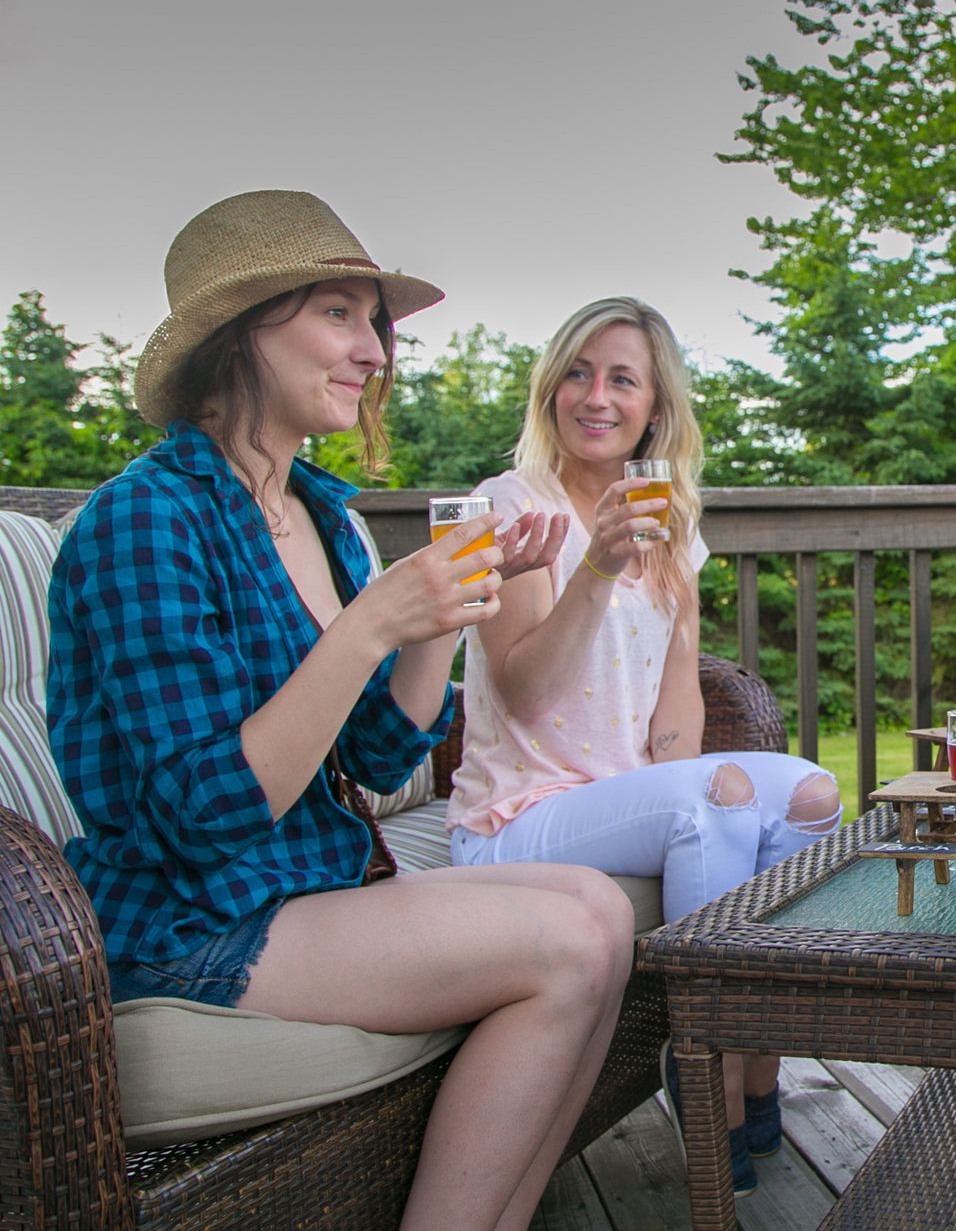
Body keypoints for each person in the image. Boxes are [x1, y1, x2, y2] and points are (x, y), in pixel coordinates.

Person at [47, 190, 632, 1231]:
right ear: (240, 332)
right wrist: (370, 621)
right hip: (193, 919)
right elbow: (204, 809)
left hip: (310, 880)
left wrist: (447, 612)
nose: (374, 352)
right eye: (337, 314)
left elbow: (371, 747)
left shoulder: (321, 511)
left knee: (602, 909)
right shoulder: (144, 518)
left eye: (375, 323)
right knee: (567, 943)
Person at [447, 296, 843, 1198]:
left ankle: (752, 1056)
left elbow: (675, 722)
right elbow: (519, 688)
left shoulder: (671, 523)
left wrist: (709, 801)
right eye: (578, 373)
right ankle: (701, 1068)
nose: (596, 395)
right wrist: (597, 564)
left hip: (615, 803)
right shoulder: (512, 508)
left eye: (622, 378)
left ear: (654, 406)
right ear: (551, 390)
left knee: (812, 793)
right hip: (517, 817)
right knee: (718, 799)